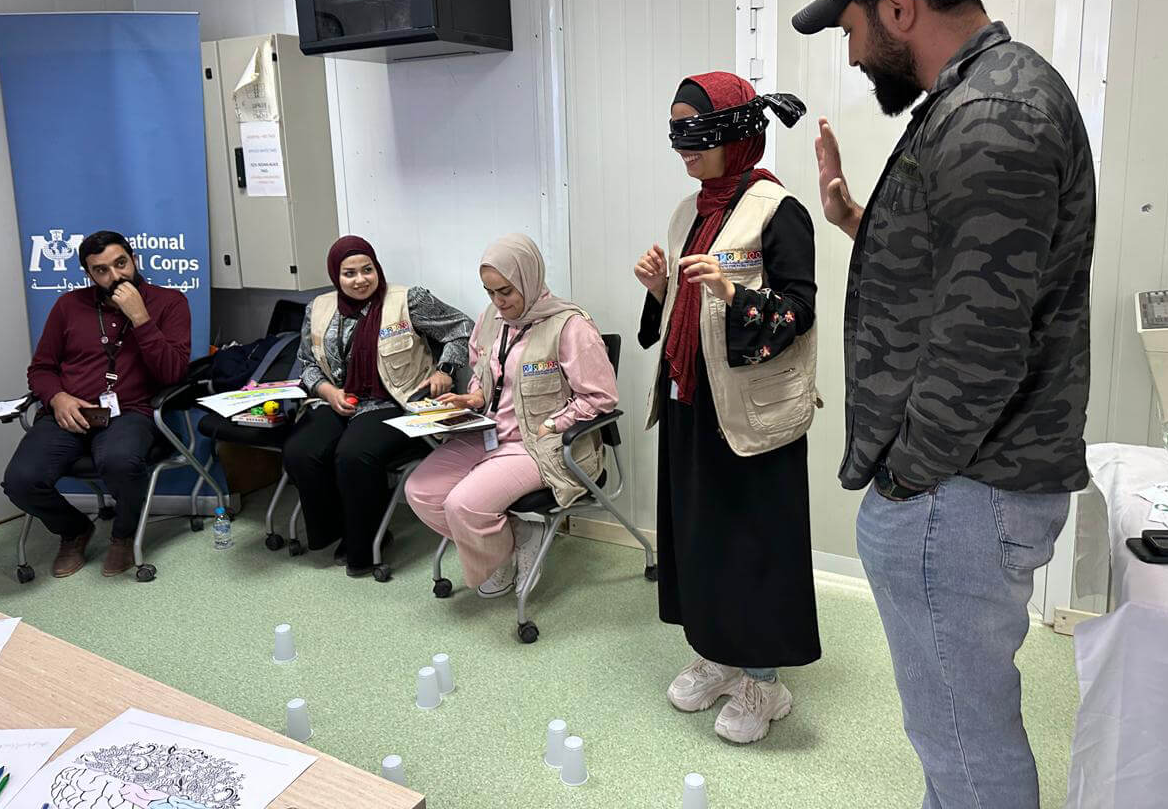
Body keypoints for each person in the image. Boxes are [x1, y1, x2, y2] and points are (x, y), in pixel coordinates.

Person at [792, 0, 1094, 808]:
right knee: (955, 732)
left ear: (896, 6)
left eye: (849, 31)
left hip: (959, 489)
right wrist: (857, 220)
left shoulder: (991, 113)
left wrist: (906, 480)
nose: (849, 57)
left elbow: (981, 345)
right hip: (966, 483)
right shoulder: (984, 95)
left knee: (963, 741)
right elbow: (970, 276)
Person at [634, 71, 820, 745]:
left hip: (751, 416)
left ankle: (763, 683)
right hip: (690, 401)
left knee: (754, 546)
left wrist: (735, 296)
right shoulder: (690, 211)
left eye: (695, 134)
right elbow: (678, 314)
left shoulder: (779, 210)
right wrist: (661, 290)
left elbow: (798, 312)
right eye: (675, 133)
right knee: (699, 535)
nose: (682, 149)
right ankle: (716, 651)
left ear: (737, 135)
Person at [405, 234, 617, 599]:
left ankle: (498, 553)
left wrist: (555, 424)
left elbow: (601, 397)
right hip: (488, 433)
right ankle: (517, 538)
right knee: (421, 491)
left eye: (506, 292)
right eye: (489, 293)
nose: (498, 303)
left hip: (537, 443)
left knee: (463, 505)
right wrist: (473, 397)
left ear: (529, 279)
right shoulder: (491, 319)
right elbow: (482, 372)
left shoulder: (570, 326)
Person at [2, 230, 191, 578]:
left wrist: (140, 319)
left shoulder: (170, 302)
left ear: (134, 259)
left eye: (121, 264)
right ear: (90, 275)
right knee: (20, 480)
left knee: (121, 462)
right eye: (101, 270)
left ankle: (123, 535)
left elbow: (172, 373)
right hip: (69, 412)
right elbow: (41, 368)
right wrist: (56, 397)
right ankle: (73, 530)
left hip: (130, 412)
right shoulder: (68, 306)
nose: (115, 276)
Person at [283, 235, 472, 577]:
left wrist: (445, 370)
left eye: (367, 270)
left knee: (354, 454)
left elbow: (462, 330)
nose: (360, 280)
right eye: (349, 274)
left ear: (377, 268)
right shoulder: (319, 308)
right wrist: (328, 392)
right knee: (301, 450)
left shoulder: (408, 300)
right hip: (340, 398)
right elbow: (306, 362)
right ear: (335, 277)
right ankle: (336, 530)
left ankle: (366, 545)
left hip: (397, 400)